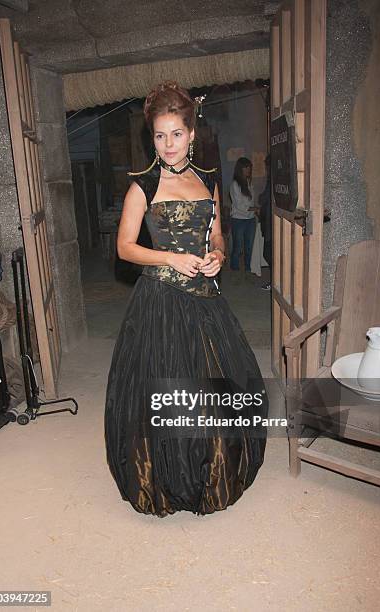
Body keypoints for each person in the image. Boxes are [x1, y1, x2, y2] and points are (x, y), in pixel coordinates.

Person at [104, 81, 268, 517]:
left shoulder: (210, 180)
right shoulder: (142, 186)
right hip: (159, 298)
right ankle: (168, 478)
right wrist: (170, 258)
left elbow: (217, 234)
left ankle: (209, 472)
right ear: (151, 137)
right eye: (160, 135)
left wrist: (216, 255)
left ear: (192, 134)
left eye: (176, 133)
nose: (169, 144)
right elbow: (124, 248)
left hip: (205, 298)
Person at [229, 158, 257, 272]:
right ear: (240, 169)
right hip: (238, 219)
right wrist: (253, 208)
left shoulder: (249, 183)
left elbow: (251, 201)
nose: (248, 170)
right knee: (238, 247)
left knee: (249, 246)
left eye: (249, 167)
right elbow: (239, 206)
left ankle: (248, 267)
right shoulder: (235, 184)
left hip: (250, 219)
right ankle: (234, 268)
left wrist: (253, 209)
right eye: (246, 167)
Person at [259, 155, 272, 291]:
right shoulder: (271, 179)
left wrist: (260, 199)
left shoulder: (274, 179)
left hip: (271, 222)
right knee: (268, 253)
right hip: (268, 220)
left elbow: (264, 197)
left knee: (269, 253)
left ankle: (274, 283)